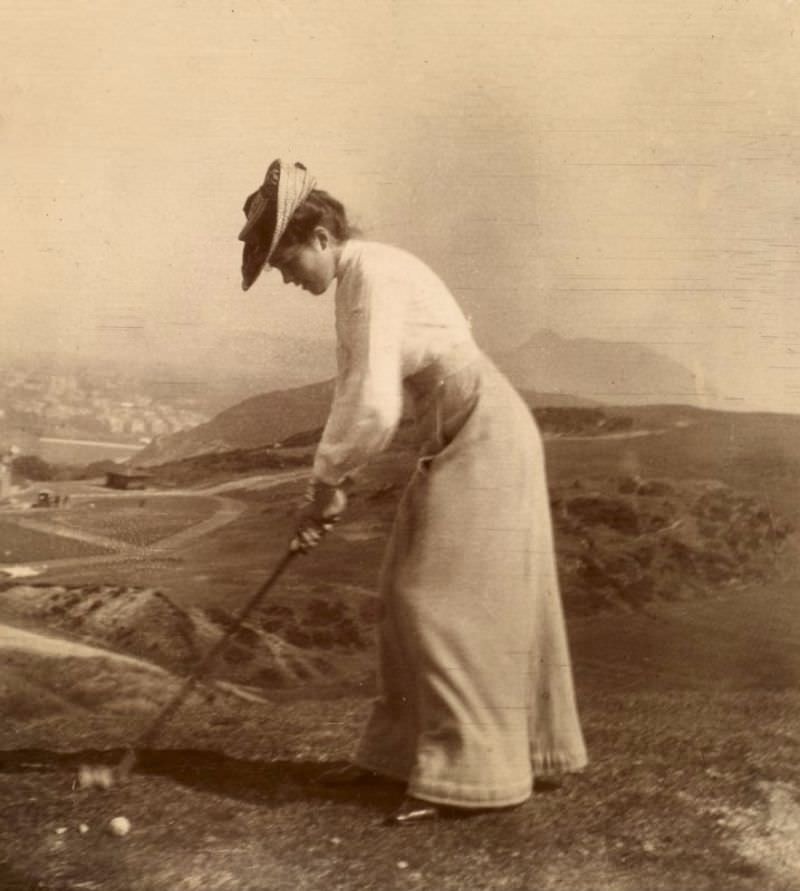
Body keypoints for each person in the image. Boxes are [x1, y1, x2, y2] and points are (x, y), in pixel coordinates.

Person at [238, 159, 588, 824]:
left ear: (318, 238)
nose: (285, 278)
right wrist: (326, 487)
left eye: (285, 263)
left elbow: (373, 405)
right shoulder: (356, 281)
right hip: (459, 433)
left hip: (487, 431)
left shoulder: (369, 274)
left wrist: (327, 484)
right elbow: (354, 391)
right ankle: (400, 757)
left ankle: (468, 775)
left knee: (430, 599)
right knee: (402, 591)